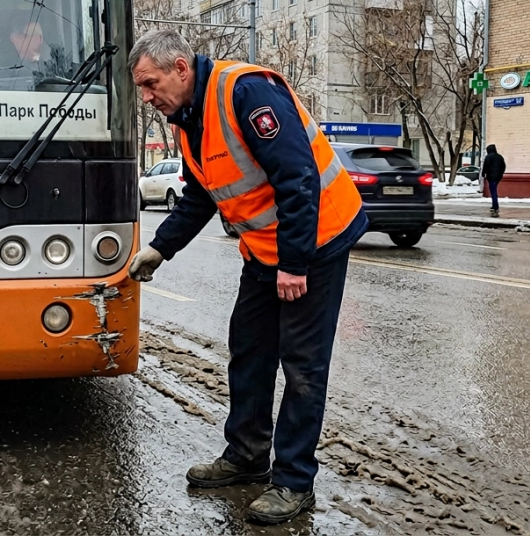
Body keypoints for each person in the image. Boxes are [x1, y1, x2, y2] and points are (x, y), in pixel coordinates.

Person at [126, 30, 367, 525]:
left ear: (180, 67)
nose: (147, 98)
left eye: (150, 85)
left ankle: (294, 481)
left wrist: (294, 264)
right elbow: (199, 197)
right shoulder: (186, 122)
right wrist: (159, 248)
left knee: (301, 364)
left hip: (316, 240)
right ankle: (247, 455)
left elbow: (298, 177)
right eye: (141, 90)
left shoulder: (245, 92)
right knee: (250, 350)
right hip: (264, 249)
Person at [481, 144, 506, 218]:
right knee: (494, 190)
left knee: (493, 192)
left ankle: (495, 207)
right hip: (498, 177)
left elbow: (485, 166)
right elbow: (503, 166)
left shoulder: (488, 157)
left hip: (491, 177)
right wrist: (500, 173)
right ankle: (494, 206)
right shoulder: (500, 157)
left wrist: (483, 174)